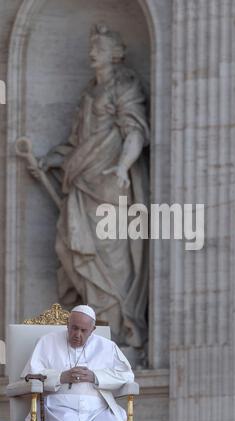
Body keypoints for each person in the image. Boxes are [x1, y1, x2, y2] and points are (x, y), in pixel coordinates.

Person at [36, 24, 149, 355]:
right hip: (82, 180)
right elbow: (78, 143)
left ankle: (116, 326)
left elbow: (135, 131)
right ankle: (96, 320)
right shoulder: (88, 92)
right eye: (91, 47)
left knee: (109, 252)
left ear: (114, 53)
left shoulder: (124, 86)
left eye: (98, 47)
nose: (92, 52)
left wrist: (123, 166)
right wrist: (51, 160)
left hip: (111, 180)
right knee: (67, 246)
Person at [21, 305, 134, 421]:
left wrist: (95, 376)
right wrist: (60, 377)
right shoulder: (47, 342)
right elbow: (29, 377)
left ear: (92, 330)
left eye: (83, 330)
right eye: (74, 328)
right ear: (67, 324)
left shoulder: (107, 347)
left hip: (97, 410)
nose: (77, 334)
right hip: (58, 408)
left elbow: (127, 375)